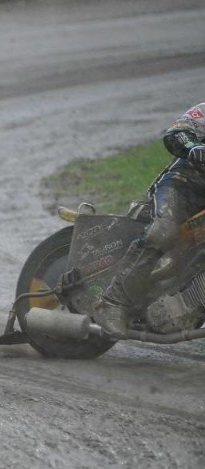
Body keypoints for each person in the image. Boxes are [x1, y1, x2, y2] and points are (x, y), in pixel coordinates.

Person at [94, 102, 205, 338]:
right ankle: (113, 301)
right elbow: (177, 132)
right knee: (164, 231)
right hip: (183, 185)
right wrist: (194, 147)